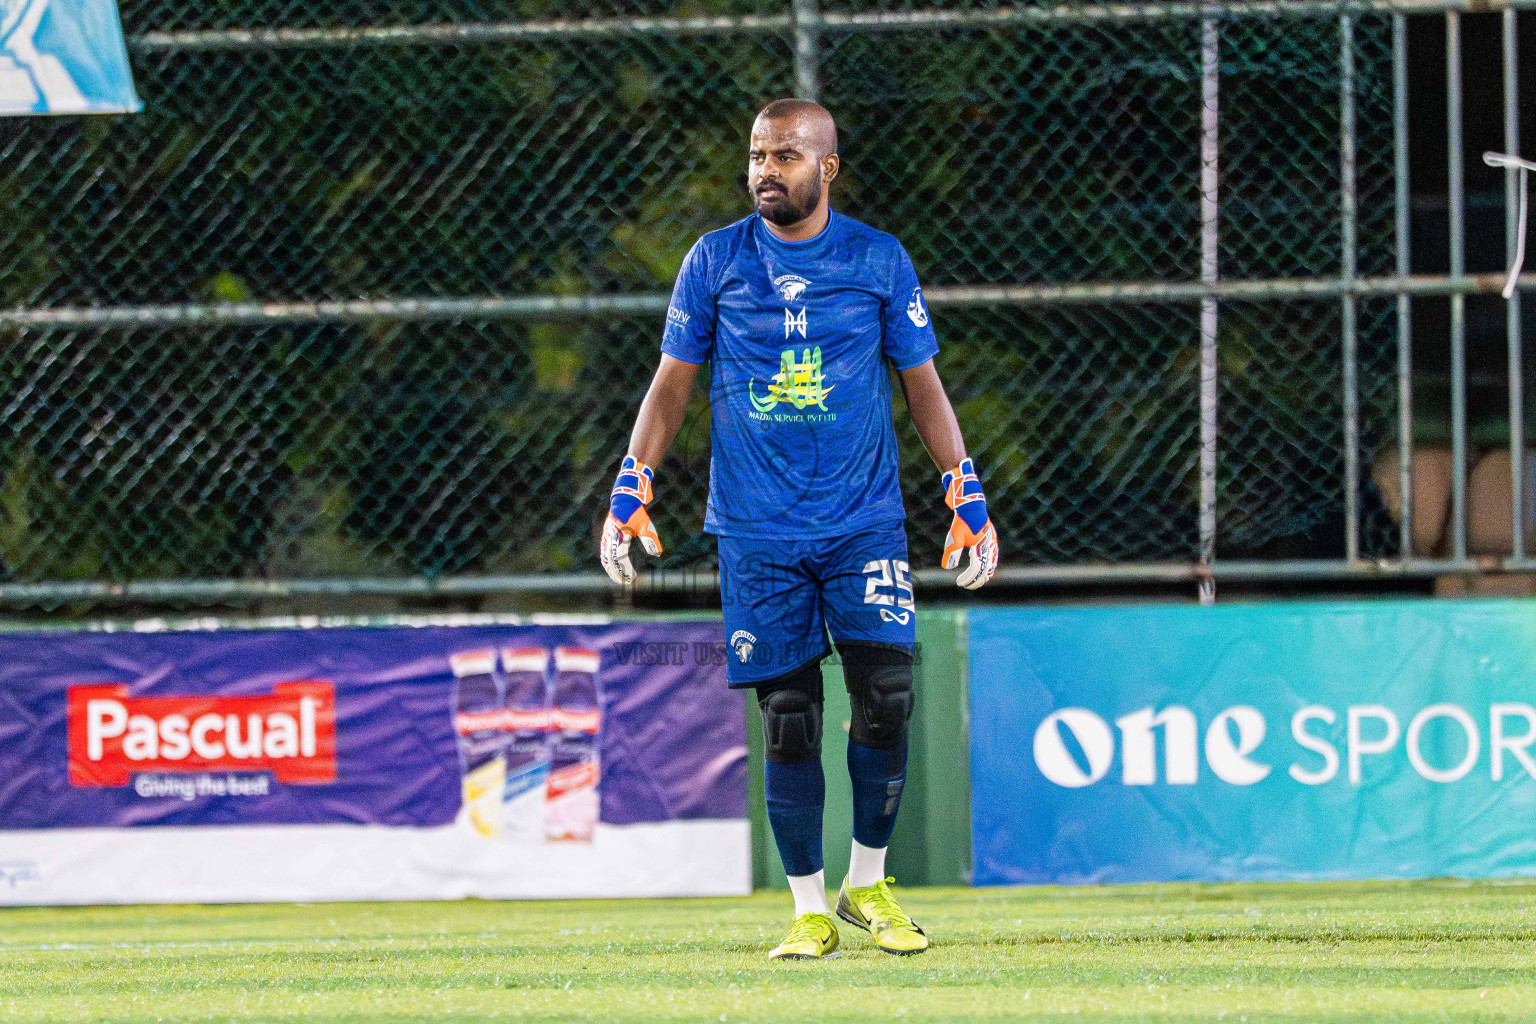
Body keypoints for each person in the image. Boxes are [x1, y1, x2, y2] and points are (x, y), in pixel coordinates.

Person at [598, 98, 999, 961]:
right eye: (755, 155)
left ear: (828, 168)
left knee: (887, 697)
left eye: (785, 155)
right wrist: (632, 485)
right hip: (755, 530)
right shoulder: (714, 261)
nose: (764, 171)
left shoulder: (877, 260)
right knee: (788, 717)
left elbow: (922, 385)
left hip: (863, 524)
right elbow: (670, 386)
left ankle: (869, 883)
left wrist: (964, 492)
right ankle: (809, 909)